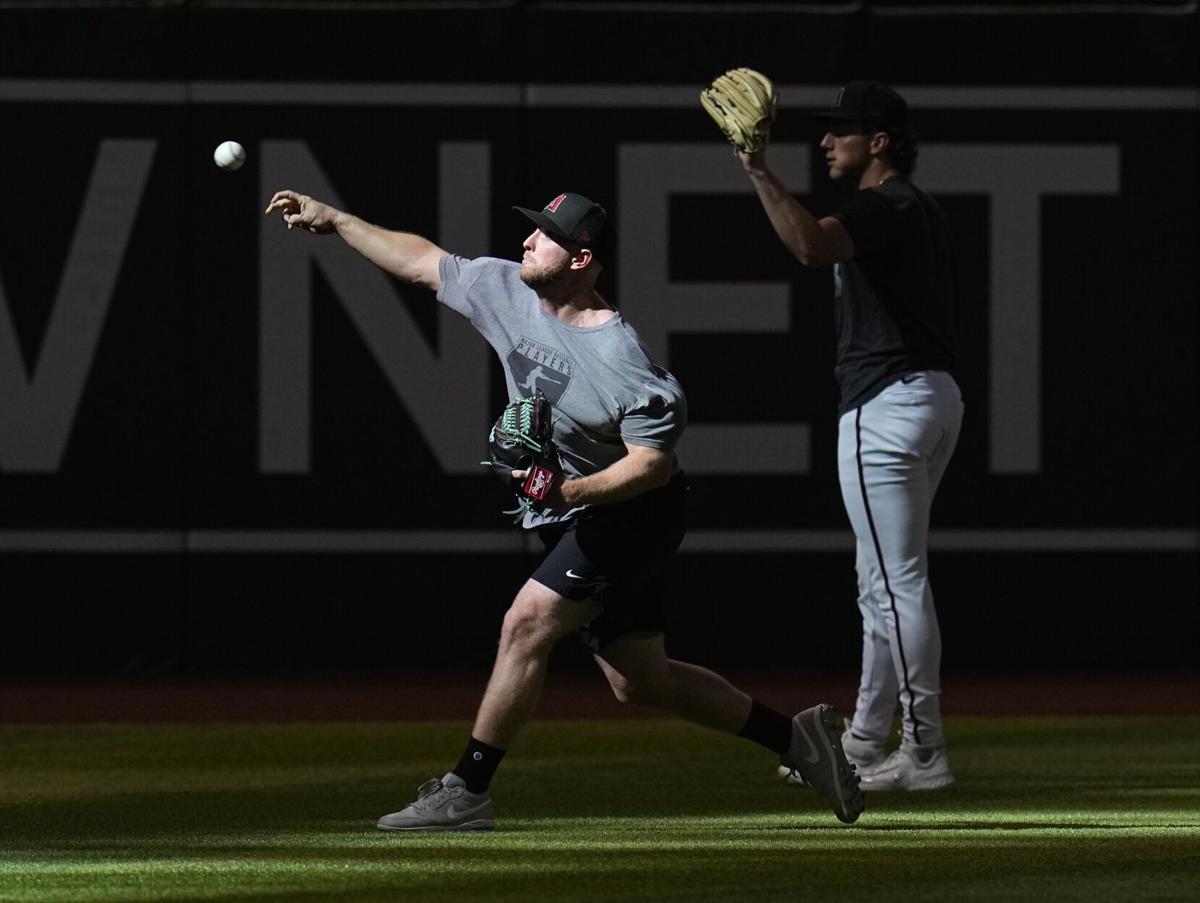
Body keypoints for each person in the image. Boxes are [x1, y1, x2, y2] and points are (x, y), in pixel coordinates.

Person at [263, 188, 864, 828]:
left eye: (544, 235)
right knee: (641, 681)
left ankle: (466, 791)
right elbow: (420, 260)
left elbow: (650, 464)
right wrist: (340, 219)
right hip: (583, 514)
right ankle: (798, 741)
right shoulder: (506, 292)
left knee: (525, 623)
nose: (526, 241)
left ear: (581, 259)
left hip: (634, 513)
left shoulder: (622, 361)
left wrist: (566, 492)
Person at [733, 81, 963, 791]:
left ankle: (924, 751)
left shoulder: (882, 203)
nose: (827, 141)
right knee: (881, 584)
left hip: (885, 405)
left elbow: (809, 245)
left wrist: (757, 170)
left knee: (895, 585)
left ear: (880, 142)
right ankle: (866, 737)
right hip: (929, 396)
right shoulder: (914, 208)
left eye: (843, 131)